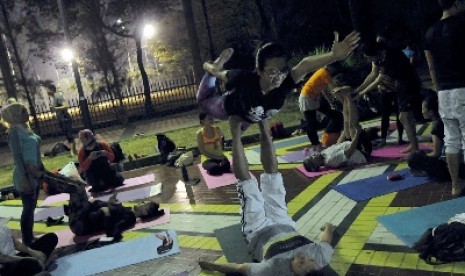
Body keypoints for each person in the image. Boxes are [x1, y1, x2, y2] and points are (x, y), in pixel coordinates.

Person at [199, 115, 336, 275]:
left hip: (258, 229)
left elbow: (241, 268)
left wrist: (210, 266)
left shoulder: (272, 270)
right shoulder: (321, 257)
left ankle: (235, 131)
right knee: (273, 176)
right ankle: (262, 119)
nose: (303, 256)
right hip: (283, 220)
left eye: (301, 262)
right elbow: (325, 241)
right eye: (309, 259)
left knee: (247, 184)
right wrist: (328, 228)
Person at [197, 32, 360, 125]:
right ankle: (213, 64)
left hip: (246, 116)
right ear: (259, 71)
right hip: (222, 107)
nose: (279, 78)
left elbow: (304, 66)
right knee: (202, 98)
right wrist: (212, 68)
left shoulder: (284, 83)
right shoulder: (243, 78)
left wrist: (333, 56)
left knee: (245, 120)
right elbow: (220, 74)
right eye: (272, 72)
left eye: (282, 71)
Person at [424, 0, 465, 197]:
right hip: (462, 89)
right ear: (456, 3)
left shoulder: (430, 32)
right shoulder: (462, 24)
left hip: (444, 93)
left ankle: (455, 185)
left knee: (451, 140)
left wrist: (439, 91)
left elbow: (431, 67)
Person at [354, 42, 421, 154]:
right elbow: (373, 74)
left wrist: (361, 93)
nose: (369, 60)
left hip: (408, 85)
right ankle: (413, 144)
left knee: (404, 117)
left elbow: (378, 79)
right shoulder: (380, 56)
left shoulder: (391, 57)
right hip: (400, 86)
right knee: (406, 117)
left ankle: (414, 147)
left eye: (369, 57)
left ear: (375, 53)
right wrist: (358, 90)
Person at [1, 102, 44, 246]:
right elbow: (17, 156)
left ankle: (29, 237)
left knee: (31, 207)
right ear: (16, 115)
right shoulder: (13, 132)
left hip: (35, 173)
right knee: (28, 208)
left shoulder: (25, 128)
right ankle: (27, 239)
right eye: (23, 111)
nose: (27, 113)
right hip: (25, 175)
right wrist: (25, 178)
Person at [299, 63, 344, 151]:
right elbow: (334, 90)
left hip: (316, 97)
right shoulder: (324, 73)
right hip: (307, 96)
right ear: (330, 67)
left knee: (335, 115)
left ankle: (331, 134)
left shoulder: (322, 73)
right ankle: (315, 144)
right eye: (334, 68)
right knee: (311, 121)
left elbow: (324, 91)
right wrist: (343, 101)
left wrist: (331, 103)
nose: (334, 71)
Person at [303, 126, 372, 172]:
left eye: (312, 155)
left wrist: (345, 130)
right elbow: (349, 152)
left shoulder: (323, 153)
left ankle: (370, 132)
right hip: (362, 151)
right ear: (315, 165)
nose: (314, 154)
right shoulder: (330, 160)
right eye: (312, 157)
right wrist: (357, 134)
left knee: (350, 124)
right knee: (360, 129)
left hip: (353, 145)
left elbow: (338, 145)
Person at [77, 129, 124, 193]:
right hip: (93, 175)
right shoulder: (82, 153)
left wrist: (106, 153)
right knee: (99, 187)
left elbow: (112, 158)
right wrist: (89, 159)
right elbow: (83, 168)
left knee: (118, 181)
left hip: (106, 170)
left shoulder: (102, 145)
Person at [47, 85, 77, 156]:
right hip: (62, 118)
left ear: (52, 90)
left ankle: (73, 152)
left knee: (69, 135)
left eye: (47, 89)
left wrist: (55, 109)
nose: (46, 91)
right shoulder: (54, 98)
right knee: (68, 135)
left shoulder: (58, 96)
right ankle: (74, 152)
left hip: (65, 118)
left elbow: (66, 106)